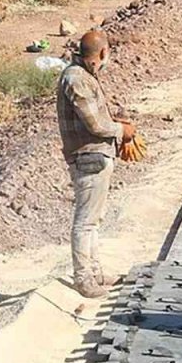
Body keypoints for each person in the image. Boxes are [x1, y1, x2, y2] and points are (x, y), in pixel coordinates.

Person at [56, 29, 136, 298]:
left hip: (97, 155)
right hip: (87, 156)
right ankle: (83, 278)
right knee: (85, 222)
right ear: (102, 53)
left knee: (95, 220)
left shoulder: (86, 76)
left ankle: (96, 272)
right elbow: (95, 124)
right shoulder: (76, 78)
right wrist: (121, 131)